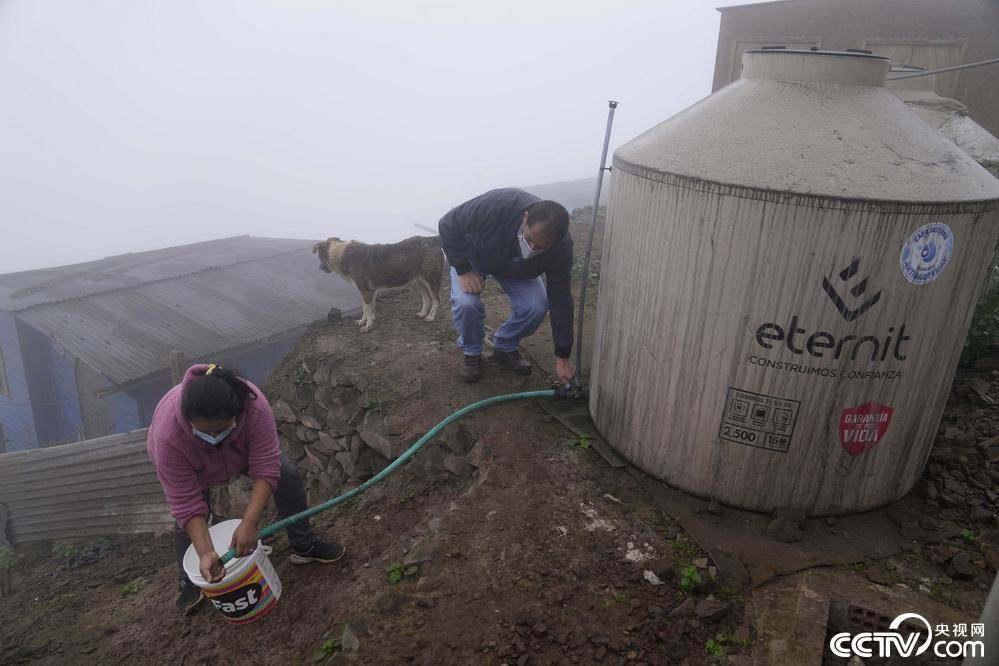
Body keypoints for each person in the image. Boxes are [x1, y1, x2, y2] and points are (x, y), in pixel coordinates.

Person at [147, 363, 345, 614]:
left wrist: (250, 522)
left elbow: (266, 465)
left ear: (238, 413)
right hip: (194, 466)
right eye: (204, 432)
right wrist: (206, 551)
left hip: (238, 454)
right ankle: (190, 580)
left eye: (221, 429)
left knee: (287, 474)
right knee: (188, 518)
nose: (213, 436)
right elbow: (185, 501)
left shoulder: (254, 406)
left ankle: (304, 545)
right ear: (189, 422)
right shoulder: (168, 436)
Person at [438, 187, 577, 384]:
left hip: (519, 268)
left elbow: (560, 298)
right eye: (529, 239)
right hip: (474, 258)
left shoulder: (561, 248)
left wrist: (563, 356)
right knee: (466, 303)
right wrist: (463, 269)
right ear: (525, 218)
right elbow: (447, 224)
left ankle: (503, 345)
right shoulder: (499, 204)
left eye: (541, 247)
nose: (532, 248)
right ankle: (472, 352)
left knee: (536, 306)